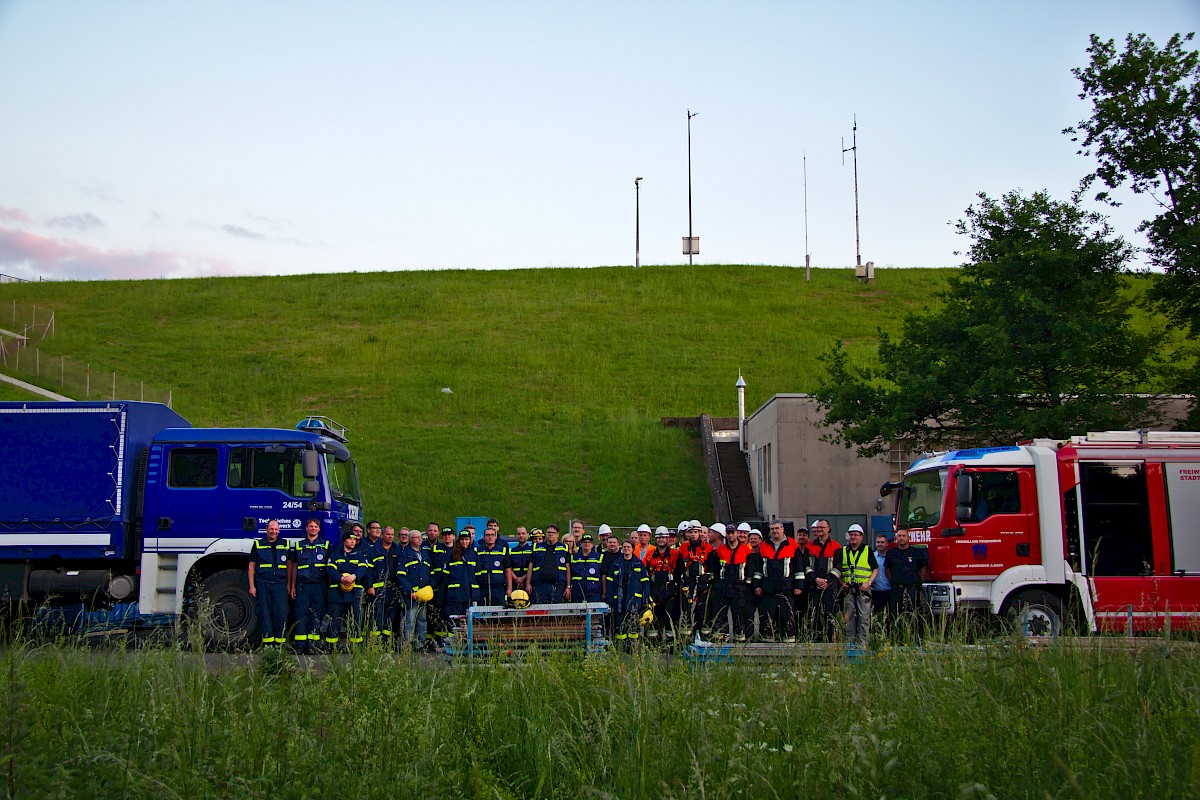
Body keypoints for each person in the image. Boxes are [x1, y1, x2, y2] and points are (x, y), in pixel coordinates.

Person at [289, 517, 329, 653]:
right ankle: (300, 645)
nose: (313, 528)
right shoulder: (299, 546)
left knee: (316, 614)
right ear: (306, 528)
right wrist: (292, 586)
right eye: (310, 526)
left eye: (315, 526)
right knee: (301, 614)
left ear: (319, 529)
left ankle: (312, 645)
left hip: (319, 585)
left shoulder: (325, 546)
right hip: (302, 585)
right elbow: (294, 567)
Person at [708, 523, 753, 641]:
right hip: (723, 588)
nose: (731, 535)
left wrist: (747, 587)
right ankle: (722, 641)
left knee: (739, 616)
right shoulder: (719, 551)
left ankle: (740, 641)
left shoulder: (746, 550)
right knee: (721, 616)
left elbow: (749, 570)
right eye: (728, 533)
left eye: (733, 533)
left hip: (739, 589)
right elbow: (715, 570)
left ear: (737, 533)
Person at [248, 519, 290, 646]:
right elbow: (251, 565)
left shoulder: (285, 544)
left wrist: (289, 584)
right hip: (263, 583)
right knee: (264, 614)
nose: (274, 532)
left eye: (276, 529)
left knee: (281, 614)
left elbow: (289, 566)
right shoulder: (258, 544)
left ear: (279, 530)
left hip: (280, 584)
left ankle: (280, 645)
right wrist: (252, 586)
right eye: (271, 529)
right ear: (267, 529)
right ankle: (268, 645)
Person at [755, 521, 798, 642]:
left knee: (787, 616)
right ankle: (767, 642)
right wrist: (757, 585)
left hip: (786, 587)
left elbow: (798, 567)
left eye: (777, 528)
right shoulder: (764, 545)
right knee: (768, 617)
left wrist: (798, 586)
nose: (774, 531)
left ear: (782, 529)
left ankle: (788, 641)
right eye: (772, 529)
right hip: (768, 588)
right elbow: (759, 568)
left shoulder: (792, 544)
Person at [603, 540, 650, 648]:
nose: (626, 549)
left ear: (633, 549)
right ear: (621, 548)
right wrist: (610, 599)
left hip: (634, 600)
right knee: (619, 624)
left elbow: (645, 583)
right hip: (619, 599)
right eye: (624, 547)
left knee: (633, 624)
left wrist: (645, 600)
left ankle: (633, 647)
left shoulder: (638, 563)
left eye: (628, 547)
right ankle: (620, 647)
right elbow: (610, 582)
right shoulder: (615, 564)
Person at [326, 530, 368, 648]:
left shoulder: (359, 556)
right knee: (335, 619)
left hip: (354, 593)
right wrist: (341, 578)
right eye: (350, 539)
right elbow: (330, 569)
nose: (353, 542)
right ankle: (331, 645)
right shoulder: (335, 555)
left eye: (354, 540)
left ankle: (355, 645)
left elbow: (363, 568)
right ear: (344, 541)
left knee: (354, 619)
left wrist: (353, 577)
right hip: (337, 593)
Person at [840, 524, 878, 646]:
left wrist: (869, 583)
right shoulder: (843, 551)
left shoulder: (867, 550)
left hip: (863, 589)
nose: (853, 537)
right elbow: (838, 569)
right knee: (848, 618)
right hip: (848, 590)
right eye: (851, 535)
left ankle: (863, 644)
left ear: (861, 537)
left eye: (856, 535)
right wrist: (842, 583)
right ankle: (849, 644)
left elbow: (875, 569)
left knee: (864, 617)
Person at [805, 519, 842, 642]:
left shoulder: (836, 546)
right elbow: (806, 566)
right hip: (813, 586)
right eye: (818, 527)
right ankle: (816, 637)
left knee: (830, 613)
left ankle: (830, 638)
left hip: (830, 586)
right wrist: (816, 580)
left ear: (828, 529)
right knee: (814, 613)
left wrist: (826, 581)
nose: (820, 529)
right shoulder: (809, 546)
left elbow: (838, 567)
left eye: (822, 527)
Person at [884, 529, 928, 631]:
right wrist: (895, 581)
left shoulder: (915, 553)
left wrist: (918, 582)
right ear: (896, 538)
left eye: (904, 536)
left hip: (912, 588)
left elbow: (923, 568)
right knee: (895, 614)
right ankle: (897, 637)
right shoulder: (892, 553)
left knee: (914, 613)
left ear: (908, 538)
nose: (901, 538)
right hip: (897, 589)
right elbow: (887, 570)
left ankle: (916, 638)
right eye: (899, 536)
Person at [396, 529, 432, 650]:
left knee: (422, 620)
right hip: (411, 595)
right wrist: (409, 591)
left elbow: (429, 572)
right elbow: (401, 575)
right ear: (411, 539)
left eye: (420, 538)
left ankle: (420, 644)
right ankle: (407, 645)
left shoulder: (424, 554)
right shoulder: (405, 555)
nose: (420, 539)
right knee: (409, 621)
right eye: (417, 537)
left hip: (423, 595)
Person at [676, 521, 712, 636]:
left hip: (702, 583)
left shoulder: (707, 547)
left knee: (702, 610)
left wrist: (707, 579)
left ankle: (702, 636)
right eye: (690, 532)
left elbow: (711, 566)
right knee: (687, 611)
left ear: (700, 533)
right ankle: (686, 637)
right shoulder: (683, 548)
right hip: (688, 582)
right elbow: (679, 567)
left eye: (695, 532)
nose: (693, 535)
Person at [645, 526, 679, 641]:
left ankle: (670, 646)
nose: (661, 540)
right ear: (656, 539)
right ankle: (654, 645)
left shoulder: (675, 554)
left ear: (667, 539)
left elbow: (679, 573)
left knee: (670, 620)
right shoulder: (650, 555)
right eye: (659, 538)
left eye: (663, 537)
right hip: (655, 592)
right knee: (655, 620)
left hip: (670, 592)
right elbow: (647, 575)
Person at [428, 526, 458, 648]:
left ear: (453, 537)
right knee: (437, 614)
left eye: (449, 535)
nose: (447, 537)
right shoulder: (436, 549)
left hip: (451, 586)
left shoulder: (457, 550)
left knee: (449, 614)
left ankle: (450, 641)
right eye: (445, 535)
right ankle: (437, 641)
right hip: (438, 586)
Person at [442, 530, 479, 620]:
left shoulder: (474, 555)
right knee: (454, 619)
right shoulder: (452, 555)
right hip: (455, 594)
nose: (464, 542)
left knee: (469, 620)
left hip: (470, 594)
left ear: (470, 540)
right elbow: (446, 577)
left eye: (466, 539)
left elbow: (478, 575)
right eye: (462, 539)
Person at [375, 525, 403, 645]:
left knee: (391, 615)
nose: (390, 537)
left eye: (392, 535)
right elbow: (370, 570)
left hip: (393, 588)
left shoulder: (397, 549)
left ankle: (386, 641)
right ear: (382, 535)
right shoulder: (375, 549)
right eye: (388, 534)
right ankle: (375, 641)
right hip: (378, 588)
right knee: (377, 615)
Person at [532, 524, 572, 604]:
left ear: (557, 535)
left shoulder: (564, 548)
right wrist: (528, 584)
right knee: (541, 609)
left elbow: (568, 568)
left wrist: (568, 586)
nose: (550, 534)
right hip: (540, 583)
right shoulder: (537, 547)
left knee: (557, 609)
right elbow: (531, 566)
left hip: (558, 584)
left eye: (553, 532)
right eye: (548, 532)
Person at [475, 523, 510, 606]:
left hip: (498, 588)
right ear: (484, 537)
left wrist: (509, 588)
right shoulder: (477, 551)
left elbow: (508, 570)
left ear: (496, 536)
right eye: (487, 535)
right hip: (483, 587)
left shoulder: (502, 550)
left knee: (499, 612)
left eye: (492, 535)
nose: (490, 537)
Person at [571, 533, 604, 604]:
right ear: (581, 544)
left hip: (594, 591)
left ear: (592, 545)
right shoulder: (574, 557)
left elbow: (603, 574)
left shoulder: (599, 557)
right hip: (578, 590)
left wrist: (604, 592)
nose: (587, 544)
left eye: (589, 542)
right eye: (585, 542)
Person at [506, 525, 535, 598]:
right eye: (519, 534)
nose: (521, 535)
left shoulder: (532, 551)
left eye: (523, 533)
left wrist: (523, 578)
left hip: (529, 583)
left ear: (527, 535)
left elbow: (533, 567)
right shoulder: (511, 551)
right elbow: (508, 567)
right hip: (515, 583)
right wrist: (516, 578)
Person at [872, 534, 892, 614]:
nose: (880, 544)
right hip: (875, 592)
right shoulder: (871, 557)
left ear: (887, 544)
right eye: (878, 542)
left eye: (882, 542)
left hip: (889, 592)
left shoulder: (891, 557)